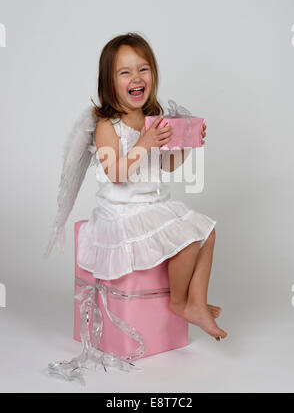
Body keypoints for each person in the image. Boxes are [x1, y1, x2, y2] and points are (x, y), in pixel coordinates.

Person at [74, 32, 227, 342]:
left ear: (153, 75)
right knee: (185, 240)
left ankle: (196, 301)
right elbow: (115, 172)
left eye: (143, 69)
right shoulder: (108, 125)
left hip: (154, 205)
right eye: (125, 72)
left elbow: (166, 166)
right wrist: (143, 143)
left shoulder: (153, 118)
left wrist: (186, 143)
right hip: (121, 212)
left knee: (207, 233)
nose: (136, 77)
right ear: (109, 82)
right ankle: (180, 302)